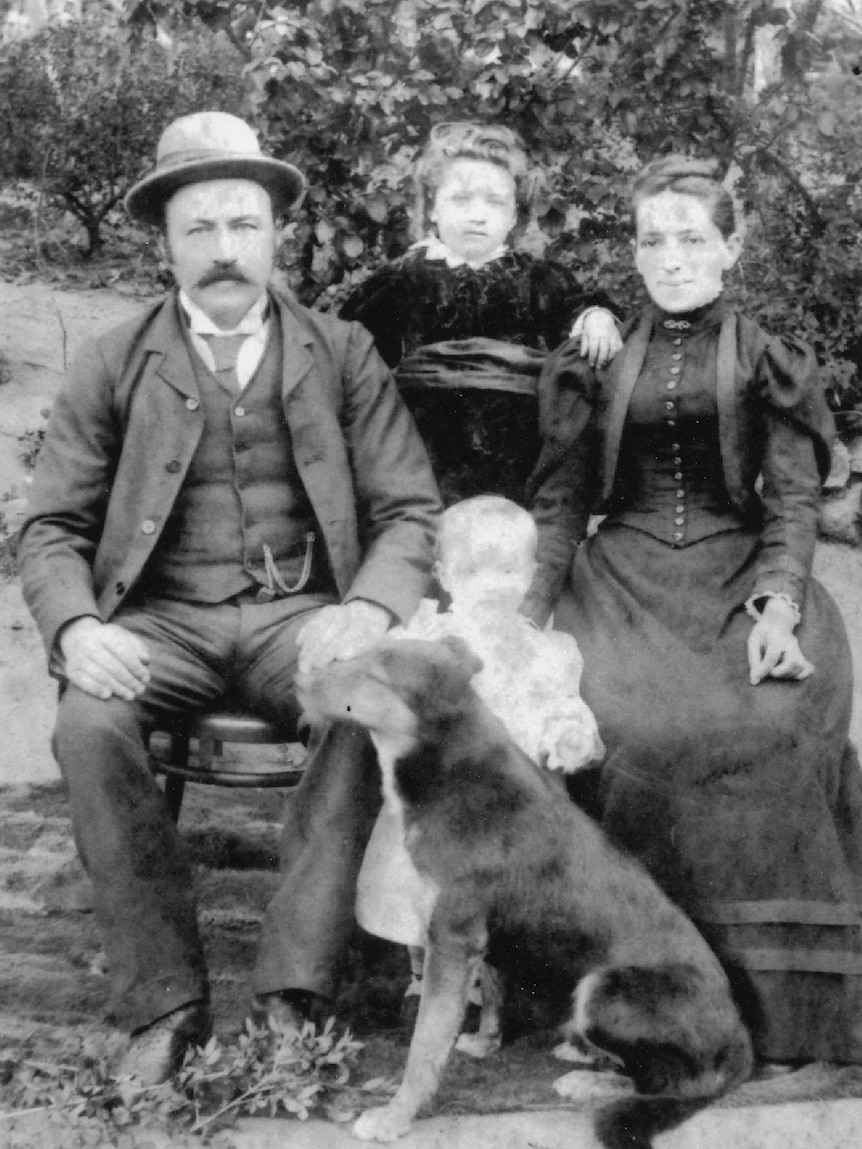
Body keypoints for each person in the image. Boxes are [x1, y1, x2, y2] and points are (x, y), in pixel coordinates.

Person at [15, 111, 441, 1086]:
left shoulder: (342, 353)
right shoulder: (112, 361)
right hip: (159, 621)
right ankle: (161, 1002)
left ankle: (294, 996)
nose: (223, 250)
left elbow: (410, 510)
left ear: (275, 235)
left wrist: (368, 612)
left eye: (243, 226)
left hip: (301, 618)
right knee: (88, 726)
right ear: (163, 241)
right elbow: (49, 529)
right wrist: (79, 626)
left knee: (362, 702)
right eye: (199, 229)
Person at [538, 154, 862, 1064]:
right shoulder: (598, 354)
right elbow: (562, 502)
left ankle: (775, 1006)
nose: (672, 259)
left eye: (692, 239)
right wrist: (526, 616)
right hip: (619, 584)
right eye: (652, 241)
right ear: (633, 252)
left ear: (732, 246)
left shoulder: (768, 357)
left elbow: (794, 503)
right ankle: (629, 998)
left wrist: (779, 611)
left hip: (737, 577)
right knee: (626, 726)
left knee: (761, 720)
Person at [340, 121, 623, 624]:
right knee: (428, 566)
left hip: (517, 457)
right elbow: (348, 348)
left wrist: (595, 317)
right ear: (433, 206)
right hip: (423, 453)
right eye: (461, 199)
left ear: (514, 213)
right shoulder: (402, 278)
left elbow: (579, 307)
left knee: (506, 564)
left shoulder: (537, 277)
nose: (477, 215)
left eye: (494, 203)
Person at [355, 495, 604, 1015]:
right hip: (441, 803)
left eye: (508, 569)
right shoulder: (427, 642)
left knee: (498, 898)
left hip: (511, 808)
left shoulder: (543, 650)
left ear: (532, 573)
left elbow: (562, 703)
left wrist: (568, 733)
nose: (492, 585)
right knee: (419, 887)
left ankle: (490, 982)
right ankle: (422, 976)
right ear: (444, 576)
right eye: (473, 570)